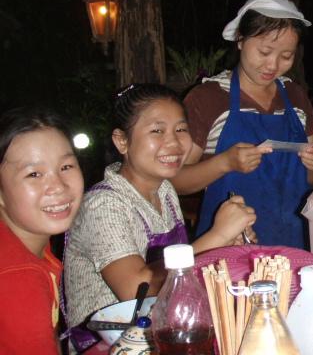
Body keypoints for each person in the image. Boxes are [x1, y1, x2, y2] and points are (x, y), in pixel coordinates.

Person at [64, 84, 256, 349]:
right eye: (157, 131)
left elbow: (178, 275)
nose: (174, 142)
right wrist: (217, 235)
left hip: (159, 334)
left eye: (181, 129)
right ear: (122, 141)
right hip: (106, 346)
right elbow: (136, 289)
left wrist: (224, 243)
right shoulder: (102, 205)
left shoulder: (165, 190)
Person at [172, 0, 313, 248]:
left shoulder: (295, 96)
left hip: (294, 244)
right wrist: (224, 163)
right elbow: (176, 182)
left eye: (286, 56)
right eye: (264, 52)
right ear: (240, 40)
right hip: (229, 250)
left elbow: (310, 179)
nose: (272, 65)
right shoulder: (208, 98)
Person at [0, 107, 84, 354]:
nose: (58, 186)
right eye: (34, 174)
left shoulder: (28, 242)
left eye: (66, 167)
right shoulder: (18, 277)